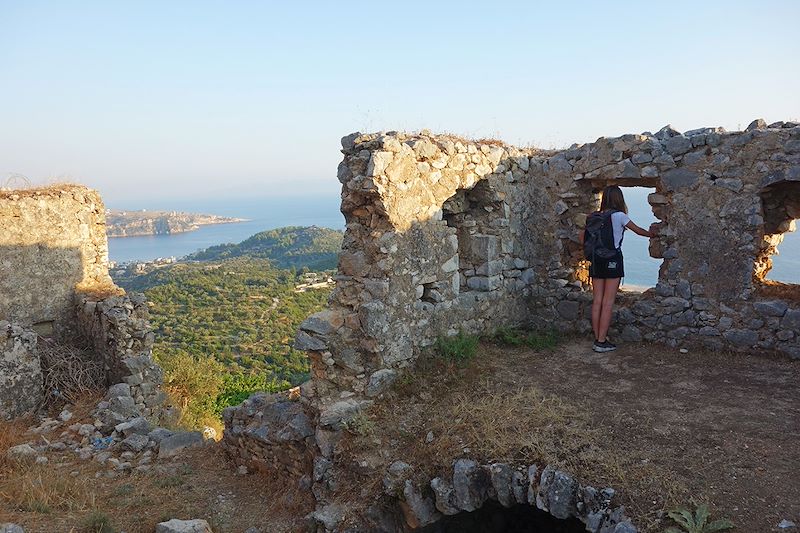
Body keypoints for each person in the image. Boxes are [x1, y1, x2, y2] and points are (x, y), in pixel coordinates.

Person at [582, 185, 654, 353]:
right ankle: (601, 341)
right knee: (607, 302)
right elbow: (638, 231)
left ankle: (597, 338)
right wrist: (653, 234)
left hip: (596, 259)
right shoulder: (619, 216)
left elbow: (583, 237)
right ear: (619, 199)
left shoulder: (593, 216)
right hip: (612, 260)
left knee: (597, 300)